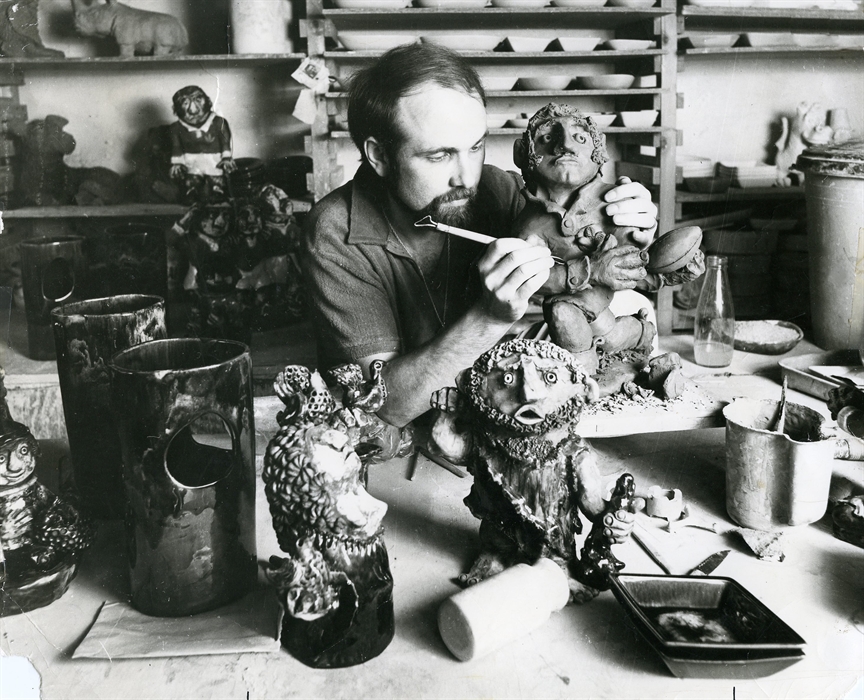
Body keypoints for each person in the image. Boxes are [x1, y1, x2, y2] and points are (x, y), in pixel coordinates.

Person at [301, 43, 658, 430]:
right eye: (439, 155)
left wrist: (630, 225)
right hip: (399, 441)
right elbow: (386, 405)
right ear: (380, 156)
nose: (466, 177)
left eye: (476, 146)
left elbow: (586, 255)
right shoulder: (335, 231)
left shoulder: (496, 188)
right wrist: (489, 317)